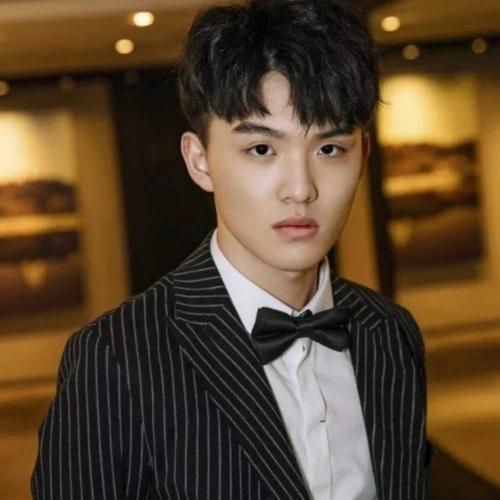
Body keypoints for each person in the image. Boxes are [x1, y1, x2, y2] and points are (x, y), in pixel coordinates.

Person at [31, 0, 433, 499]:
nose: (301, 189)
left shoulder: (390, 332)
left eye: (329, 149)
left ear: (363, 156)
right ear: (199, 161)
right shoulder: (116, 358)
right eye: (262, 149)